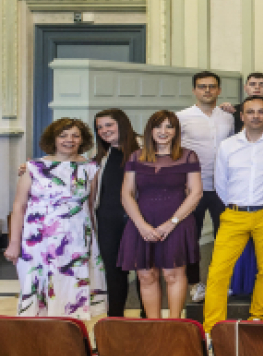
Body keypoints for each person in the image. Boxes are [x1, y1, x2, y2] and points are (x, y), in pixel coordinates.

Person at [201, 97, 263, 331]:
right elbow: (220, 183)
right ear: (242, 116)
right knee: (218, 271)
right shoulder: (228, 145)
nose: (256, 116)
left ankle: (257, 317)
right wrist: (237, 204)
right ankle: (212, 327)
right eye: (250, 112)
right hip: (234, 214)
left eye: (261, 111)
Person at [5, 119, 106, 319]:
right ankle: (39, 336)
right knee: (38, 288)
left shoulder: (90, 167)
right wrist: (14, 243)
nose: (70, 140)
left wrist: (93, 243)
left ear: (82, 139)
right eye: (63, 135)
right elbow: (19, 207)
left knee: (71, 288)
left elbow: (89, 206)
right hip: (38, 241)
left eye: (75, 135)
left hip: (76, 240)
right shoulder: (33, 167)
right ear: (53, 139)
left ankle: (69, 334)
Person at [119, 111, 202, 319]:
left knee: (173, 273)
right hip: (142, 222)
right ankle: (154, 326)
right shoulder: (136, 156)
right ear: (150, 130)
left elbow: (196, 193)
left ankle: (174, 324)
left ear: (176, 131)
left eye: (169, 126)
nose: (163, 131)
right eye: (158, 126)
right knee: (146, 275)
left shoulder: (188, 155)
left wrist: (171, 223)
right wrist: (141, 225)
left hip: (177, 222)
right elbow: (126, 194)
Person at [177, 70, 235, 301]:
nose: (207, 90)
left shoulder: (228, 117)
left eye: (212, 86)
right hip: (192, 188)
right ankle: (194, 284)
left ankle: (222, 282)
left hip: (223, 186)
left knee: (225, 238)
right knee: (192, 239)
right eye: (202, 86)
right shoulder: (181, 117)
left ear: (219, 90)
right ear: (194, 90)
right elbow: (175, 151)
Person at [91, 109, 143, 317]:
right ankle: (115, 320)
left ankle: (148, 318)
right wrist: (30, 167)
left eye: (109, 125)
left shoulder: (144, 148)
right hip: (107, 221)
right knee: (113, 272)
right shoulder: (101, 156)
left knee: (144, 271)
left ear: (122, 124)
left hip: (138, 219)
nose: (104, 130)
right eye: (99, 127)